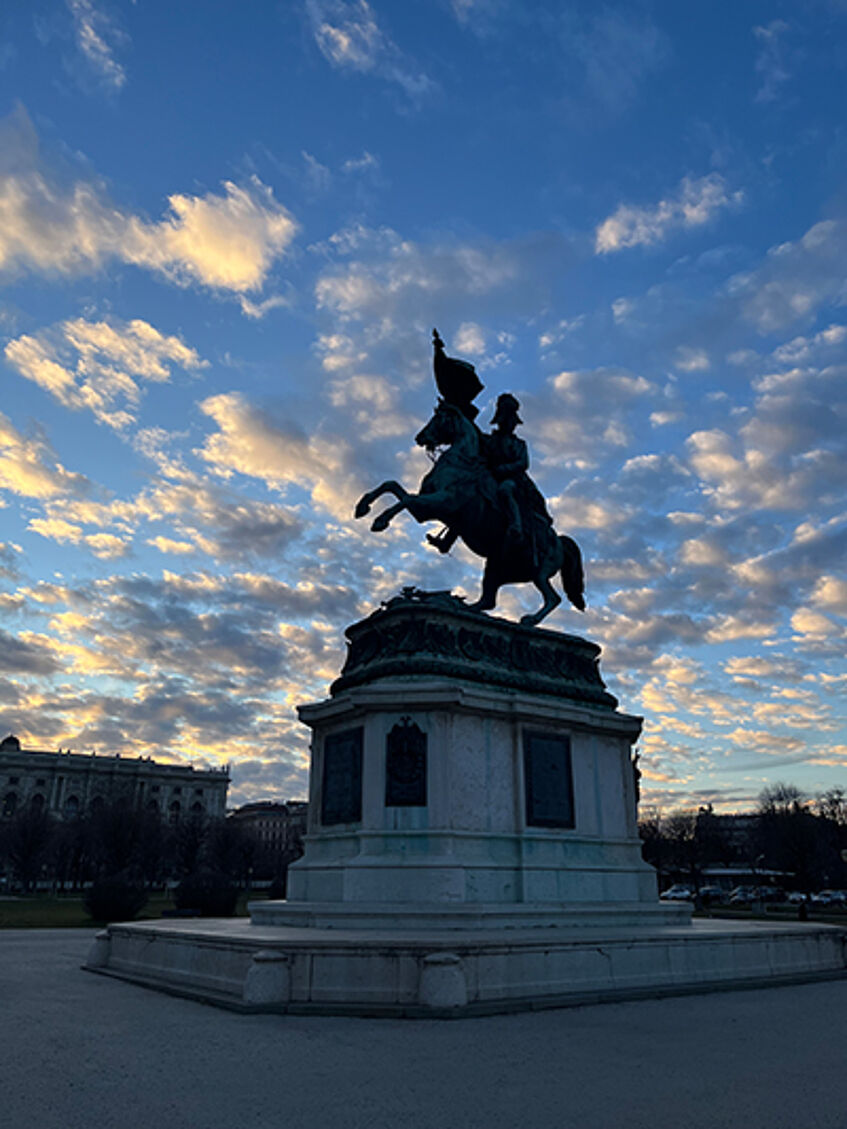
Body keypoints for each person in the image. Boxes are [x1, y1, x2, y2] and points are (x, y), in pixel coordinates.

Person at [484, 393, 553, 554]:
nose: (510, 425)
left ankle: (516, 525)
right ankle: (448, 538)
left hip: (513, 480)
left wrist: (503, 469)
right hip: (491, 477)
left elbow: (523, 463)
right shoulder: (489, 441)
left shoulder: (519, 444)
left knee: (505, 490)